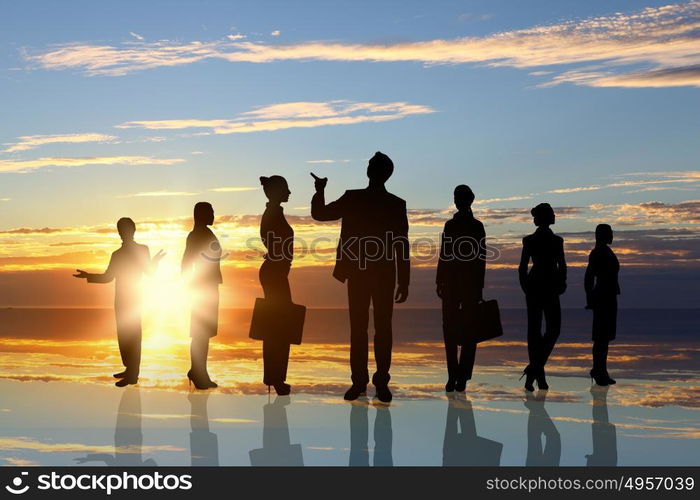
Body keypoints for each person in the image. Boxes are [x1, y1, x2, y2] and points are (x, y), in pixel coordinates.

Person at [310, 151, 410, 403]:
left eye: (371, 165)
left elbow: (401, 244)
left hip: (382, 274)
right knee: (363, 329)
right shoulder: (357, 198)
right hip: (360, 273)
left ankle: (378, 382)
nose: (369, 168)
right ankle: (361, 382)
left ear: (377, 172)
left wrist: (404, 280)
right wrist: (319, 191)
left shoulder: (393, 204)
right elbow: (321, 214)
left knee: (378, 329)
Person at [73, 217, 164, 387]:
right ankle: (129, 369)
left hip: (135, 298)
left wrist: (155, 263)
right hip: (121, 299)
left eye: (126, 229)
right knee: (123, 335)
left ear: (133, 230)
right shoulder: (117, 254)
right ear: (119, 232)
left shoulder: (142, 250)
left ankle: (133, 374)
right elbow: (108, 277)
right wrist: (89, 275)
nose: (123, 232)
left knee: (134, 335)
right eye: (121, 229)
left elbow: (149, 273)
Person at [436, 185, 486, 392]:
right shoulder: (452, 225)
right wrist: (439, 280)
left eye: (459, 197)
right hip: (454, 284)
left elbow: (480, 258)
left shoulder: (476, 226)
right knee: (452, 329)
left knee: (467, 330)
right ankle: (454, 374)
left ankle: (460, 375)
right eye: (456, 197)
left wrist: (478, 287)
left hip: (466, 284)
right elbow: (445, 253)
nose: (457, 201)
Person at [518, 203, 566, 392]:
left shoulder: (557, 241)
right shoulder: (529, 240)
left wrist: (563, 282)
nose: (554, 215)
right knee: (535, 331)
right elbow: (522, 266)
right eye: (552, 213)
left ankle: (534, 369)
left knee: (553, 329)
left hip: (550, 286)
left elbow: (562, 265)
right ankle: (539, 375)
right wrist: (524, 286)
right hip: (536, 285)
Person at [258, 175, 295, 395]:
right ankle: (275, 377)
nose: (289, 193)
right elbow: (269, 238)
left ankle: (275, 377)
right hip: (274, 272)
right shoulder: (272, 214)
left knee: (278, 325)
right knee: (278, 327)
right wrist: (276, 254)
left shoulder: (274, 213)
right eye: (286, 189)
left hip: (276, 270)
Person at [182, 202, 222, 390]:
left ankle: (198, 370)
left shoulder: (203, 233)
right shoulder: (196, 235)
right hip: (202, 288)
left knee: (203, 334)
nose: (214, 215)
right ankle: (198, 373)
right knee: (200, 333)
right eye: (211, 212)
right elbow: (186, 262)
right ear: (201, 214)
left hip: (209, 286)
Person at [584, 224, 620, 386]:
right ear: (602, 235)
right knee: (601, 337)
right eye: (610, 233)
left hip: (609, 296)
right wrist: (590, 299)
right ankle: (599, 371)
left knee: (604, 337)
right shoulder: (597, 252)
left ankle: (600, 369)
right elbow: (589, 277)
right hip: (603, 297)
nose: (612, 235)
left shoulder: (604, 251)